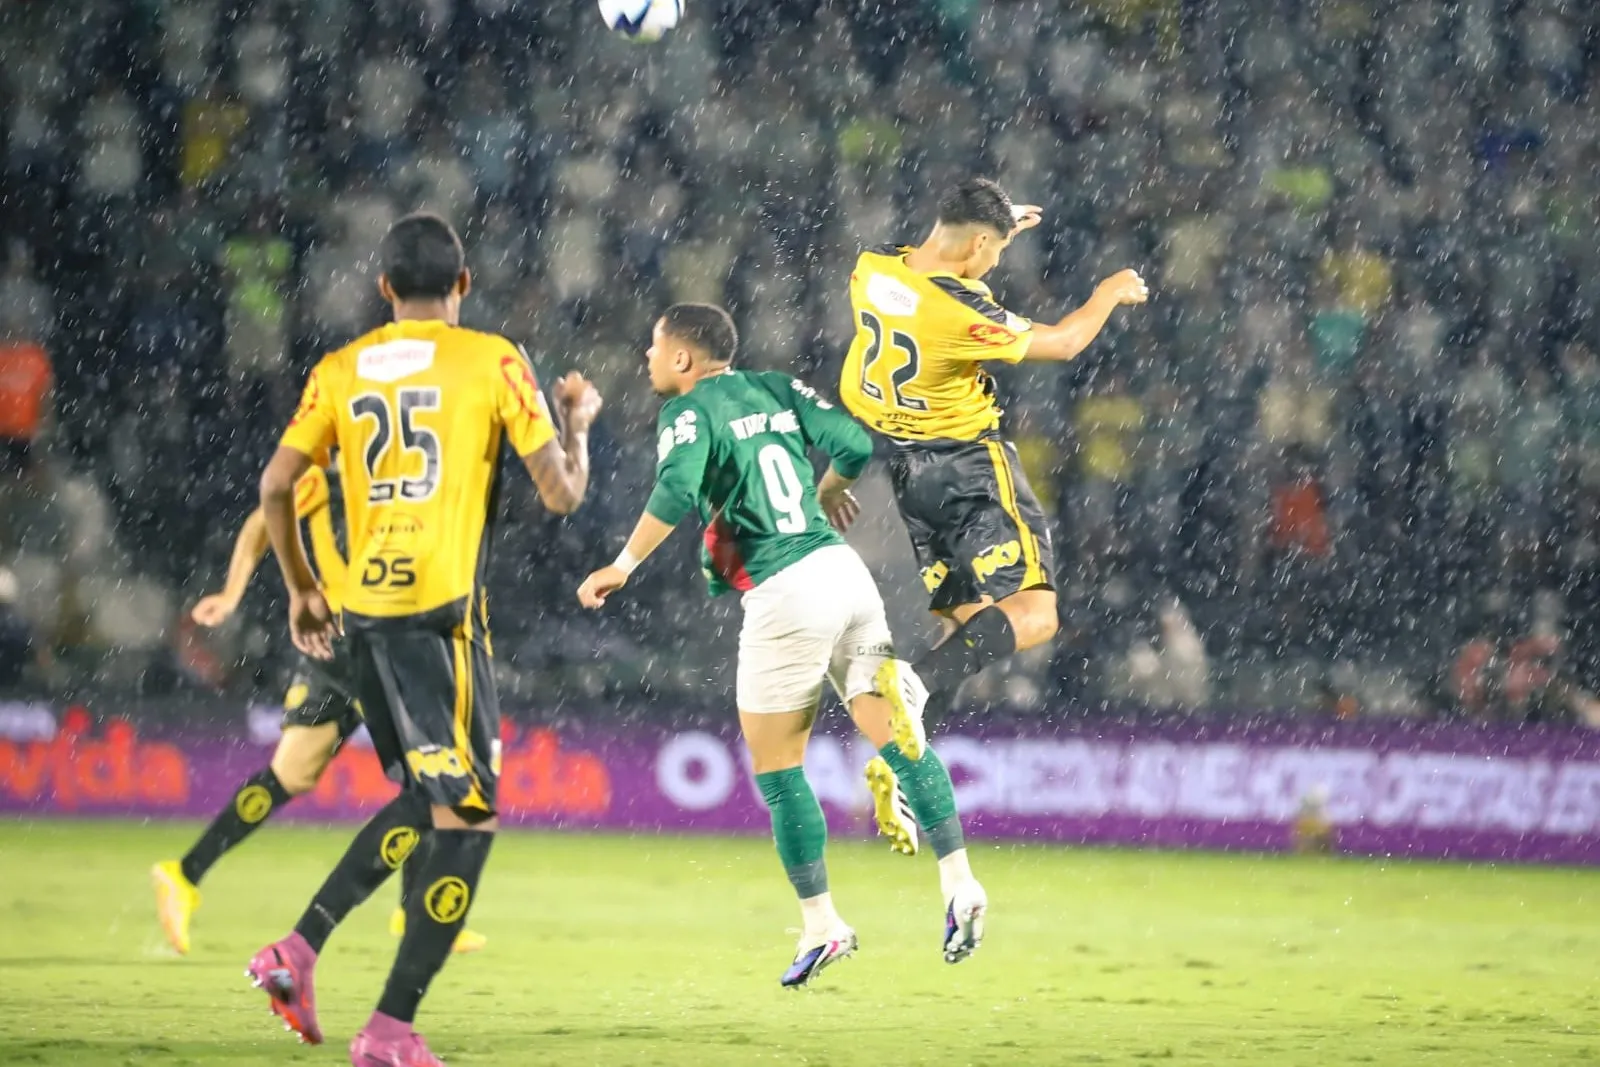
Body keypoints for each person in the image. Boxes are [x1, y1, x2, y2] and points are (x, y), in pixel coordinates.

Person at [249, 213, 602, 1066]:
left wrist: (302, 588)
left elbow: (275, 485)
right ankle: (389, 1027)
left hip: (359, 616)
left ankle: (296, 951)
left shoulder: (339, 368)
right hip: (438, 618)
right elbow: (560, 495)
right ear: (464, 285)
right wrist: (577, 421)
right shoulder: (491, 358)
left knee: (425, 798)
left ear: (382, 291)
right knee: (470, 815)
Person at [577, 304, 985, 988]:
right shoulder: (775, 386)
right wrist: (828, 489)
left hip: (786, 591)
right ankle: (961, 880)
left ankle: (823, 923)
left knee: (778, 768)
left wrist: (623, 563)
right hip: (844, 573)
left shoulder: (688, 409)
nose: (648, 357)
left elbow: (677, 484)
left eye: (654, 345)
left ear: (682, 358)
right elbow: (853, 445)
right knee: (897, 737)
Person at [838, 177, 1148, 712]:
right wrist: (1109, 292)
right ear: (980, 243)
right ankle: (915, 681)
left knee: (964, 625)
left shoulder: (873, 266)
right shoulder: (958, 311)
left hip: (911, 471)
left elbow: (932, 253)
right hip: (970, 467)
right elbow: (1066, 342)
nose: (998, 262)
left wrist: (995, 225)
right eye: (997, 250)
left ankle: (910, 775)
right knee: (1035, 615)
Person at [150, 467, 484, 958]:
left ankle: (185, 875)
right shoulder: (326, 478)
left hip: (347, 648)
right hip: (352, 648)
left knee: (297, 776)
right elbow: (262, 522)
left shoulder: (383, 474)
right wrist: (232, 591)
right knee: (428, 772)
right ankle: (183, 876)